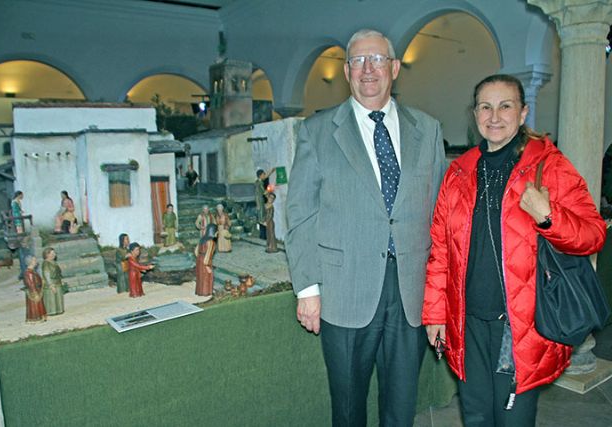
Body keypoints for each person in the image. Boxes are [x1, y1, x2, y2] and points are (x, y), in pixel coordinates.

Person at [422, 74, 607, 426]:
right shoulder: (459, 172)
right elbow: (441, 249)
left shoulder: (549, 166)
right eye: (485, 107)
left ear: (523, 113)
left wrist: (549, 217)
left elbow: (593, 234)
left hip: (521, 326)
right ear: (474, 114)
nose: (494, 116)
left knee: (513, 420)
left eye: (505, 106)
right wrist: (435, 314)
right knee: (475, 415)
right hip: (468, 321)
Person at [286, 29, 446, 426]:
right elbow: (300, 212)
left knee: (400, 408)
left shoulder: (428, 130)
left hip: (409, 291)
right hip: (344, 292)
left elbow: (440, 216)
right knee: (348, 407)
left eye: (377, 59)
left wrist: (440, 295)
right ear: (346, 71)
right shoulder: (318, 132)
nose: (368, 69)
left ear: (394, 68)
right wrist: (307, 289)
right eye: (358, 61)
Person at [195, 224, 217, 297]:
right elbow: (209, 253)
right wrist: (207, 265)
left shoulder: (202, 239)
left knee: (200, 276)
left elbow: (195, 251)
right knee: (206, 276)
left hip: (199, 259)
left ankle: (199, 291)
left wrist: (199, 257)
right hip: (205, 260)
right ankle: (205, 292)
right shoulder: (211, 242)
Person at [41, 247, 65, 316]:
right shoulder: (46, 263)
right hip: (51, 282)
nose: (54, 254)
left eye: (54, 253)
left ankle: (59, 310)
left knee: (58, 297)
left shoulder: (54, 262)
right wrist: (51, 285)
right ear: (47, 254)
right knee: (51, 298)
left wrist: (61, 280)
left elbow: (58, 273)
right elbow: (46, 274)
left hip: (57, 282)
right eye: (52, 253)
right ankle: (51, 311)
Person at [23, 255, 46, 323]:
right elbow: (31, 284)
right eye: (34, 260)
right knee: (35, 305)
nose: (36, 262)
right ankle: (35, 318)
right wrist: (34, 292)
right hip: (34, 291)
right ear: (31, 262)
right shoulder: (28, 273)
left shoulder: (32, 271)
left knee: (39, 304)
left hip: (37, 290)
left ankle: (40, 316)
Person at [255, 167, 275, 239]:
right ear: (260, 175)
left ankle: (264, 233)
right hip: (260, 201)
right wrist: (273, 187)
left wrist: (271, 171)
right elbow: (265, 192)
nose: (264, 176)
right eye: (263, 174)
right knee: (262, 217)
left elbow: (265, 177)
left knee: (263, 216)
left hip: (260, 201)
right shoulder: (259, 183)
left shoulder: (258, 181)